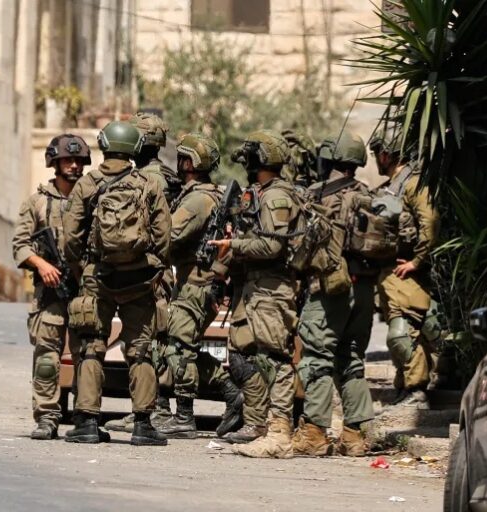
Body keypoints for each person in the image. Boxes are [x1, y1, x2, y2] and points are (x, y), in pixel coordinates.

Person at [62, 121, 171, 446]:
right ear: (135, 148)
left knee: (92, 346)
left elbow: (70, 238)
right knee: (141, 350)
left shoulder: (87, 184)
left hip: (99, 276)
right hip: (139, 280)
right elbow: (164, 237)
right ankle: (143, 425)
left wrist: (83, 268)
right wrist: (151, 265)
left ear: (104, 145)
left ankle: (87, 423)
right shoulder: (149, 184)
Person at [209, 130, 301, 458]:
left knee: (275, 359)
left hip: (273, 290)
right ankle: (258, 424)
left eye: (249, 157)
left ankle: (279, 433)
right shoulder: (260, 193)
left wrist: (233, 245)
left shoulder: (276, 196)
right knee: (243, 355)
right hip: (254, 289)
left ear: (259, 159)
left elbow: (273, 246)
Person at [293, 132, 376, 457]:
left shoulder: (318, 195)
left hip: (330, 289)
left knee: (317, 356)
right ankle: (354, 437)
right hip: (364, 289)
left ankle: (314, 433)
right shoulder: (370, 196)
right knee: (352, 359)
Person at [155, 132, 243, 439]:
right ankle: (231, 394)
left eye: (182, 158)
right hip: (198, 284)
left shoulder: (197, 200)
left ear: (189, 162)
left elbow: (169, 235)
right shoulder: (210, 195)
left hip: (195, 285)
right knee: (183, 347)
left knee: (179, 348)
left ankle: (184, 416)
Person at [12, 134, 98, 440]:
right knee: (47, 357)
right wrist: (42, 265)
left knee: (86, 356)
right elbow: (20, 245)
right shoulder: (37, 202)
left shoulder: (94, 199)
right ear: (55, 162)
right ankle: (47, 416)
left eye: (78, 161)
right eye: (67, 160)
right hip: (50, 293)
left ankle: (85, 417)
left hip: (84, 292)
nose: (74, 166)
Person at [370, 127, 441, 407]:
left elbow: (430, 223)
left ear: (386, 154)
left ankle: (416, 391)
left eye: (377, 153)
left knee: (402, 334)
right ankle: (405, 385)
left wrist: (417, 261)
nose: (376, 158)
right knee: (400, 332)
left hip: (406, 273)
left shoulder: (412, 184)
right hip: (390, 273)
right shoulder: (391, 187)